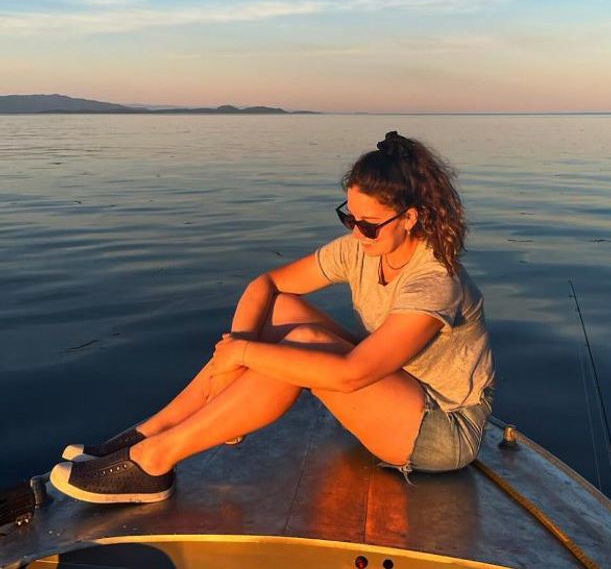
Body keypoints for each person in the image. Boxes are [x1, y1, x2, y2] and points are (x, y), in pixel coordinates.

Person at [51, 131, 495, 504]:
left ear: (411, 218)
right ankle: (151, 430)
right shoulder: (362, 249)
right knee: (282, 312)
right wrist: (234, 365)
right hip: (397, 389)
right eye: (349, 217)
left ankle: (153, 462)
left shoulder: (435, 282)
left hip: (442, 429)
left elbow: (351, 373)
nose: (356, 233)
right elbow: (267, 285)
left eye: (369, 224)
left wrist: (245, 352)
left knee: (298, 347)